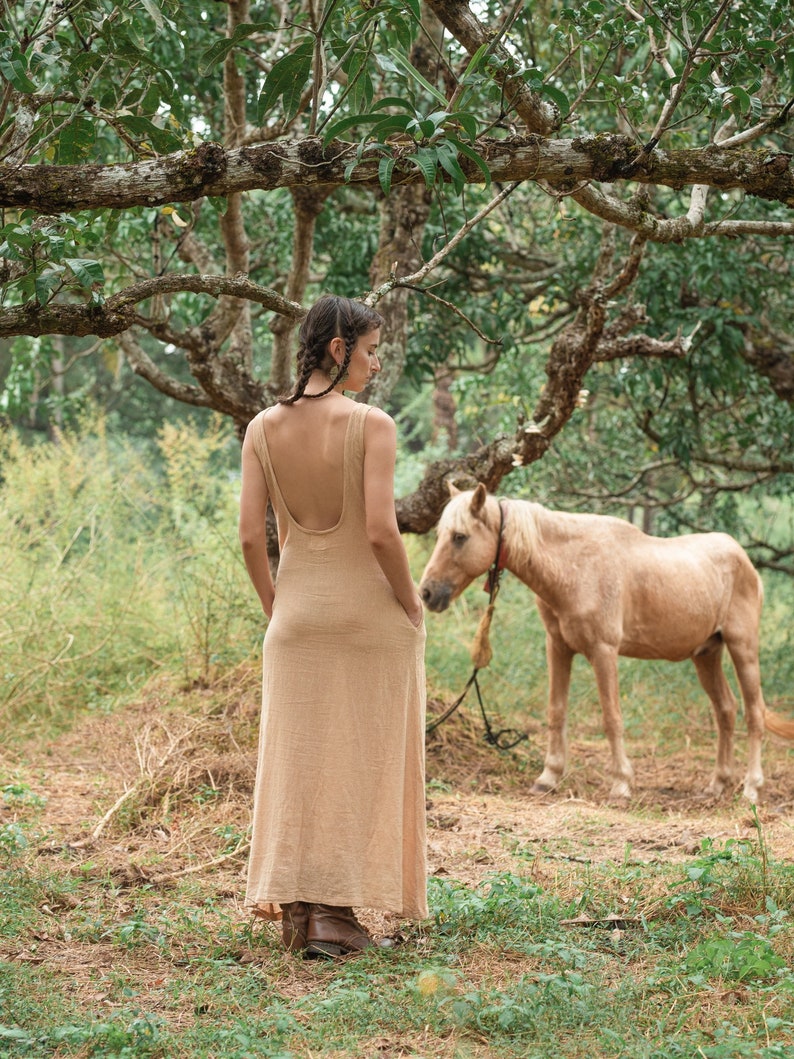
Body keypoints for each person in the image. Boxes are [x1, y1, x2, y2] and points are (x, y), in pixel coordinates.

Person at [238, 294, 428, 958]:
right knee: (362, 757)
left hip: (296, 616)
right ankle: (334, 912)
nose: (375, 365)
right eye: (371, 350)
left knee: (299, 761)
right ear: (339, 348)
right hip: (365, 616)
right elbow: (380, 531)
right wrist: (411, 603)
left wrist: (278, 608)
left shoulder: (262, 427)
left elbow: (248, 540)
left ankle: (306, 906)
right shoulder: (372, 426)